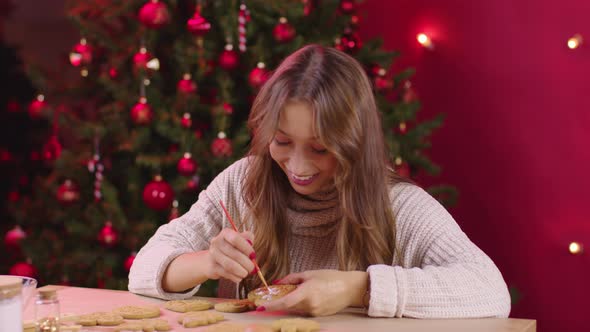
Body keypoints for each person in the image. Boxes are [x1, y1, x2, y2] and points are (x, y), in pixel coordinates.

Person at [128, 44, 511, 318]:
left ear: (354, 144)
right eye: (282, 142)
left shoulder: (401, 208)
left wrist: (358, 288)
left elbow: (490, 290)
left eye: (320, 148)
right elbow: (142, 269)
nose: (297, 165)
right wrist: (207, 262)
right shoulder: (243, 182)